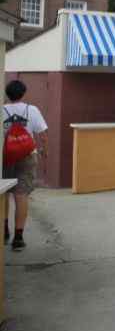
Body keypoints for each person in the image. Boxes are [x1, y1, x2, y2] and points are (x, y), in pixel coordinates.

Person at [2, 80, 47, 251]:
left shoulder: (2, 110)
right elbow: (42, 134)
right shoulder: (32, 110)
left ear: (7, 94)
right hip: (27, 157)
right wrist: (44, 150)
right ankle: (18, 237)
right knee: (21, 195)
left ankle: (4, 230)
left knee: (4, 194)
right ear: (23, 93)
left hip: (4, 157)